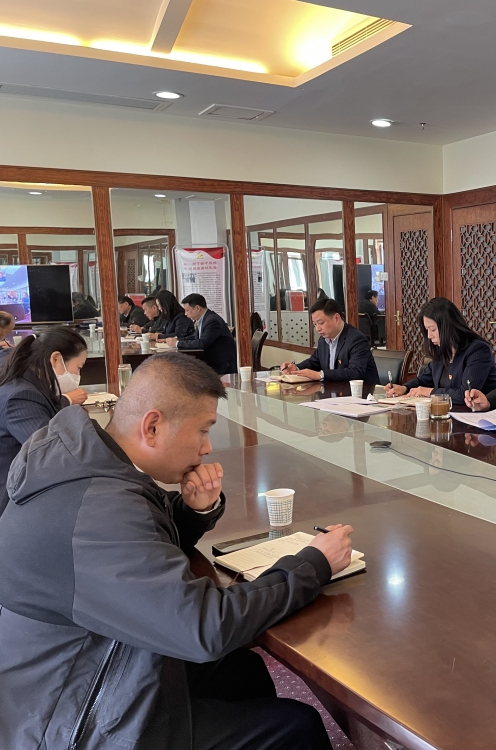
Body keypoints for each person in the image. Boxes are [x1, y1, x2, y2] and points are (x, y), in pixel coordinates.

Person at [0, 353, 352, 750]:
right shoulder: (99, 508)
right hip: (71, 722)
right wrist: (313, 564)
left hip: (88, 668)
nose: (207, 447)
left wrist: (192, 512)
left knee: (240, 669)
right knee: (295, 726)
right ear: (152, 427)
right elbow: (203, 627)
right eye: (203, 430)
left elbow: (133, 560)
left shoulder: (87, 467)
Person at [0, 327, 88, 515]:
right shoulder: (21, 397)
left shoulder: (27, 384)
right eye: (79, 367)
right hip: (11, 502)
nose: (78, 376)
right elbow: (51, 454)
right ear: (56, 359)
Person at [386, 297, 496, 401]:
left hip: (474, 414)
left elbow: (465, 394)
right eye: (427, 330)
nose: (429, 336)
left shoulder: (478, 350)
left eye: (433, 329)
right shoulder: (442, 348)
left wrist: (429, 392)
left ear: (448, 327)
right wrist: (405, 388)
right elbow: (424, 380)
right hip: (446, 412)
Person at [281, 298, 379, 383]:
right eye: (315, 324)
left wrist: (320, 375)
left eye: (321, 323)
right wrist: (296, 368)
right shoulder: (323, 339)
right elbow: (315, 361)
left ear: (336, 318)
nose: (317, 329)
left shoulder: (356, 339)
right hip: (334, 392)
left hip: (361, 394)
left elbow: (355, 372)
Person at [163, 293, 238, 375]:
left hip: (220, 366)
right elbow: (195, 337)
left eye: (187, 310)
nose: (185, 314)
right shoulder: (203, 319)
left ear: (197, 308)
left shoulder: (212, 321)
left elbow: (202, 343)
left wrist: (177, 343)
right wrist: (177, 340)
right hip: (210, 362)